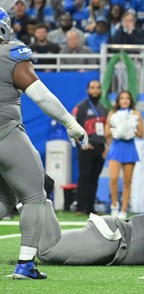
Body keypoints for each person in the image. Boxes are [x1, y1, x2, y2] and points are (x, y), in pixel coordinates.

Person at [0, 7, 88, 279]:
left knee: (5, 197)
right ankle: (26, 264)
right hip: (5, 133)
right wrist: (70, 123)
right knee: (35, 196)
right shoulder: (10, 54)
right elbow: (42, 97)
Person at [72, 80, 109, 216]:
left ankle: (90, 208)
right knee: (84, 178)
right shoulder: (81, 107)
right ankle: (80, 208)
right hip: (86, 147)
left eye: (98, 88)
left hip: (100, 147)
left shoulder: (104, 109)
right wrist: (82, 143)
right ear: (88, 90)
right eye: (92, 88)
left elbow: (107, 130)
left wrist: (107, 147)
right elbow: (72, 126)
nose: (95, 90)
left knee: (94, 179)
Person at [105, 91, 143, 220]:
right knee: (114, 178)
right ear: (118, 100)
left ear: (130, 100)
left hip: (129, 148)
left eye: (127, 98)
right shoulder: (112, 114)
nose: (125, 100)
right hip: (116, 148)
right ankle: (114, 206)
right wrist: (117, 130)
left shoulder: (136, 114)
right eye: (122, 98)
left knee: (127, 181)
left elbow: (141, 134)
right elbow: (106, 133)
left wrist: (129, 128)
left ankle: (123, 210)